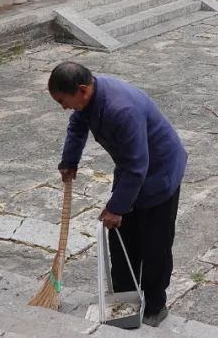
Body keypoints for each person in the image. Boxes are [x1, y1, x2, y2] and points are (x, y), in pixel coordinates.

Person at [49, 61, 187, 327]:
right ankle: (125, 302)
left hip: (160, 173)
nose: (64, 107)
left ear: (81, 90)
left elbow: (138, 167)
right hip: (132, 169)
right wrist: (70, 161)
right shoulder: (88, 98)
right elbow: (77, 126)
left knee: (155, 244)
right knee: (122, 239)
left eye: (63, 101)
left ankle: (156, 305)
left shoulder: (120, 108)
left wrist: (116, 207)